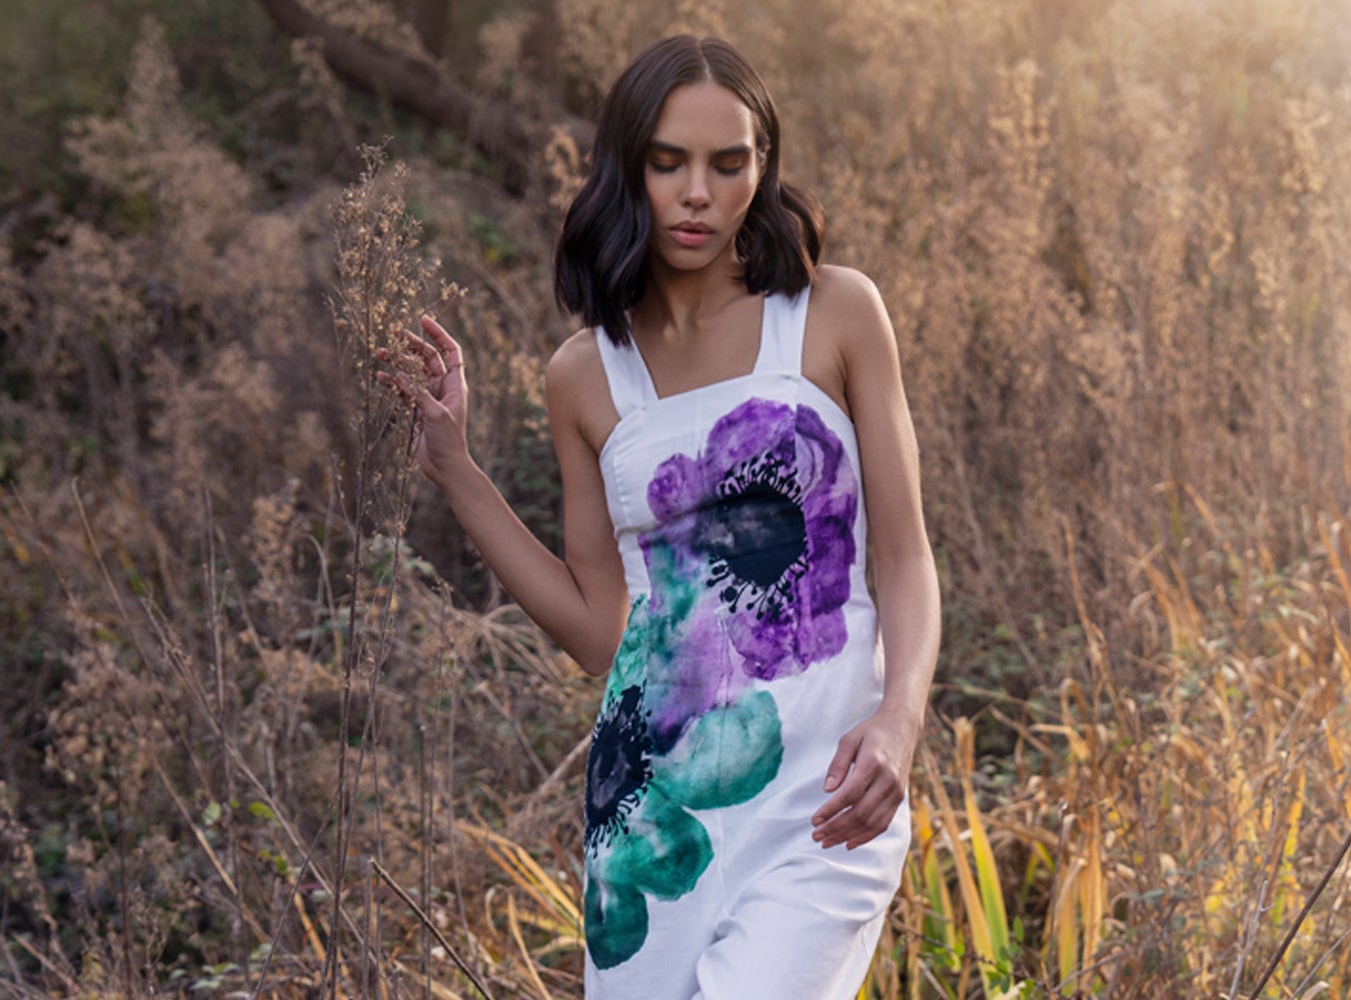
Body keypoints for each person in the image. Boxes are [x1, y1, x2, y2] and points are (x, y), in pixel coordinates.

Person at [373, 34, 937, 999]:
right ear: (628, 166)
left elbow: (907, 557)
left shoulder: (836, 314)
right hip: (650, 820)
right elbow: (604, 634)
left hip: (824, 801)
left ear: (763, 167)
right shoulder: (584, 375)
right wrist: (456, 470)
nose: (698, 194)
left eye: (729, 163)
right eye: (669, 162)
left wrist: (899, 720)